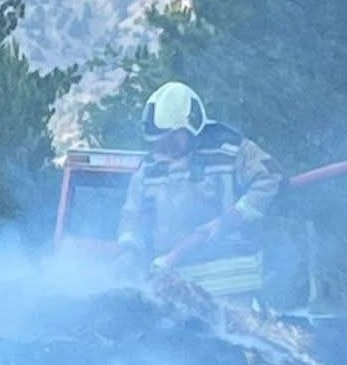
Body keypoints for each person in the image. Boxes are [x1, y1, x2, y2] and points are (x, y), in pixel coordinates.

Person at [116, 81, 283, 281]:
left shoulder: (230, 151)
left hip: (230, 274)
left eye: (172, 139)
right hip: (171, 279)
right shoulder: (149, 168)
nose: (166, 149)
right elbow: (131, 217)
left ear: (190, 126)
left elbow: (272, 178)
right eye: (159, 142)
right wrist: (128, 252)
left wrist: (232, 218)